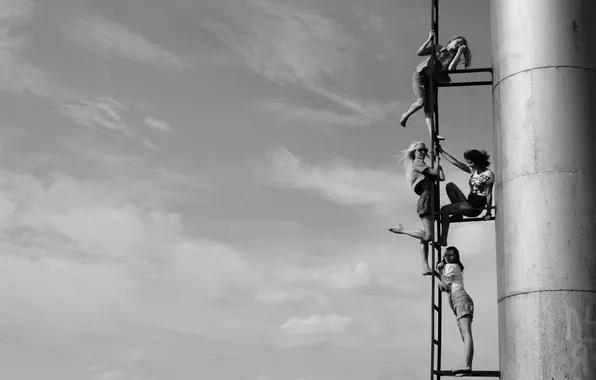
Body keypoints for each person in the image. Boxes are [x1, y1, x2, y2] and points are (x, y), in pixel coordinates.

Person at [400, 30, 472, 141]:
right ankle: (405, 115)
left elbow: (450, 69)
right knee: (420, 102)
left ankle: (432, 135)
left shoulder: (453, 58)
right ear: (451, 41)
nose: (458, 45)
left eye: (460, 45)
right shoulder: (438, 48)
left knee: (429, 109)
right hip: (420, 75)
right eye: (457, 42)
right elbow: (419, 52)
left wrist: (458, 53)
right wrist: (429, 40)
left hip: (431, 81)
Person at [389, 141, 444, 275]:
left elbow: (441, 177)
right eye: (420, 150)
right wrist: (436, 158)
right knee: (428, 236)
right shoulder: (417, 163)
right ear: (414, 152)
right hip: (427, 199)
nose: (423, 152)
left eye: (424, 150)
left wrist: (437, 160)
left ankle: (425, 266)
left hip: (432, 200)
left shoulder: (423, 164)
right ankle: (401, 230)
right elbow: (436, 173)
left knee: (426, 236)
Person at [436, 147, 494, 247]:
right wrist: (441, 151)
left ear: (478, 162)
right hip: (470, 200)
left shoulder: (488, 174)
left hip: (476, 205)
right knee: (450, 186)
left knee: (444, 210)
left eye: (471, 163)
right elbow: (456, 163)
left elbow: (488, 194)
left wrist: (488, 212)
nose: (469, 165)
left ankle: (443, 240)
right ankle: (458, 214)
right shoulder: (474, 171)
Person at [435, 246, 474, 376]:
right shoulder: (450, 268)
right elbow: (443, 287)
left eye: (451, 255)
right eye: (446, 255)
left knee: (466, 333)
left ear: (456, 257)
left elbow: (443, 286)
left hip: (459, 298)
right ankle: (467, 365)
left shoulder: (451, 266)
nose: (448, 257)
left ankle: (467, 365)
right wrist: (440, 274)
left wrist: (439, 271)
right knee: (465, 334)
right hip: (458, 300)